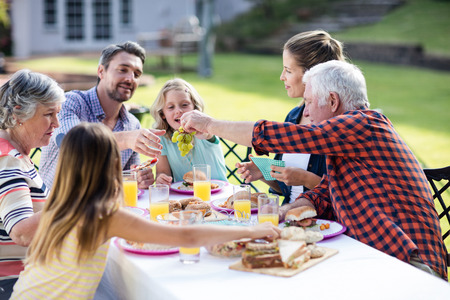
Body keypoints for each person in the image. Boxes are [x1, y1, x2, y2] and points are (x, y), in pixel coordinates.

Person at [180, 60, 447, 280]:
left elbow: (283, 137)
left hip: (411, 264)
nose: (305, 112)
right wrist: (284, 211)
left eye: (309, 102)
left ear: (332, 100)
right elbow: (325, 192)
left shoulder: (362, 125)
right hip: (375, 256)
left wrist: (210, 124)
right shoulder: (348, 140)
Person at [11, 123, 280, 299]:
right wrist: (252, 229)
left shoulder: (64, 204)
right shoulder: (102, 215)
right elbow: (186, 237)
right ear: (110, 162)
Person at [236, 30, 344, 205]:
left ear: (312, 75)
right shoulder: (294, 116)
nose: (282, 77)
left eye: (288, 70)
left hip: (326, 225)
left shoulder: (338, 125)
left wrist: (306, 179)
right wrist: (265, 173)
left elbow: (343, 196)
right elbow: (287, 188)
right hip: (291, 219)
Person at [40, 41, 164, 191]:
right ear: (101, 71)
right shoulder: (72, 103)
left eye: (136, 74)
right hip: (57, 208)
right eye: (123, 70)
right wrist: (125, 139)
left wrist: (139, 181)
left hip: (100, 209)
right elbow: (70, 144)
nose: (130, 78)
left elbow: (126, 181)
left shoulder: (132, 124)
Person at [0, 69, 65, 299]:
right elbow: (22, 232)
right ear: (19, 114)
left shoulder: (15, 153)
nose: (56, 123)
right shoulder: (8, 160)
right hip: (15, 285)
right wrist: (75, 201)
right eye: (49, 114)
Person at [150, 78, 227, 185]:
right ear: (163, 114)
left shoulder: (204, 129)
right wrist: (161, 178)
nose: (178, 111)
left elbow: (208, 134)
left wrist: (199, 127)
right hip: (184, 196)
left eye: (184, 105)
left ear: (195, 108)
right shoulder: (162, 139)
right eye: (171, 107)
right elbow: (163, 172)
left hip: (219, 192)